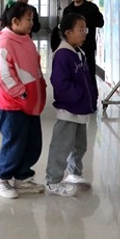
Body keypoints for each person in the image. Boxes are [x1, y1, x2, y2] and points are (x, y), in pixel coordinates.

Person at [0, 2, 47, 199]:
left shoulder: (26, 38)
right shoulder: (6, 41)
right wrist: (21, 93)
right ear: (15, 21)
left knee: (32, 143)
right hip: (14, 104)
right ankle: (0, 178)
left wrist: (40, 86)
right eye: (28, 19)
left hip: (30, 102)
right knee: (14, 142)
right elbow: (4, 75)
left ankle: (22, 177)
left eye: (32, 19)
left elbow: (35, 65)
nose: (32, 23)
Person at [45, 13, 98, 197]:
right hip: (69, 109)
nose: (84, 33)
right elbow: (59, 83)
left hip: (80, 109)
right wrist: (79, 95)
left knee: (79, 145)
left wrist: (90, 97)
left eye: (85, 29)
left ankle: (74, 173)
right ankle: (53, 180)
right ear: (68, 33)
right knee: (62, 145)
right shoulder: (62, 55)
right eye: (80, 29)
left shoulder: (78, 52)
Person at [62, 0, 104, 88]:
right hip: (72, 47)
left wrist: (84, 24)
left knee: (89, 71)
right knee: (73, 71)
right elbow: (63, 29)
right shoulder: (67, 10)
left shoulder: (91, 8)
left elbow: (100, 23)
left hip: (88, 45)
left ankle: (92, 94)